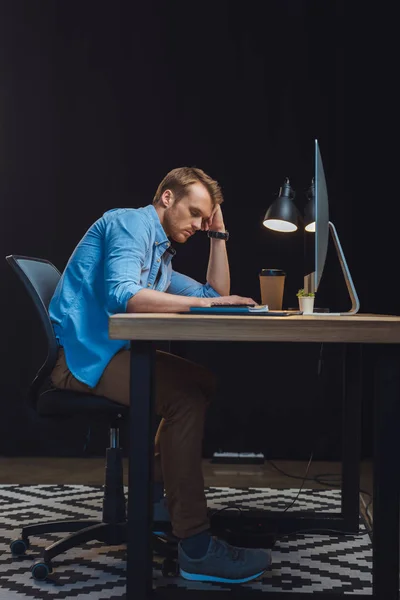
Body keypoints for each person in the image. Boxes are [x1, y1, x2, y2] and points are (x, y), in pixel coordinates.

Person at [48, 167, 272, 584]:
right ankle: (195, 546)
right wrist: (205, 307)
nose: (196, 225)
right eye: (193, 213)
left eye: (204, 219)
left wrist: (218, 236)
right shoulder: (130, 223)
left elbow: (212, 296)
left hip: (108, 352)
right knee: (184, 399)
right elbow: (125, 295)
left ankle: (153, 504)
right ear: (167, 198)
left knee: (201, 382)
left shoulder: (160, 254)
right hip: (81, 360)